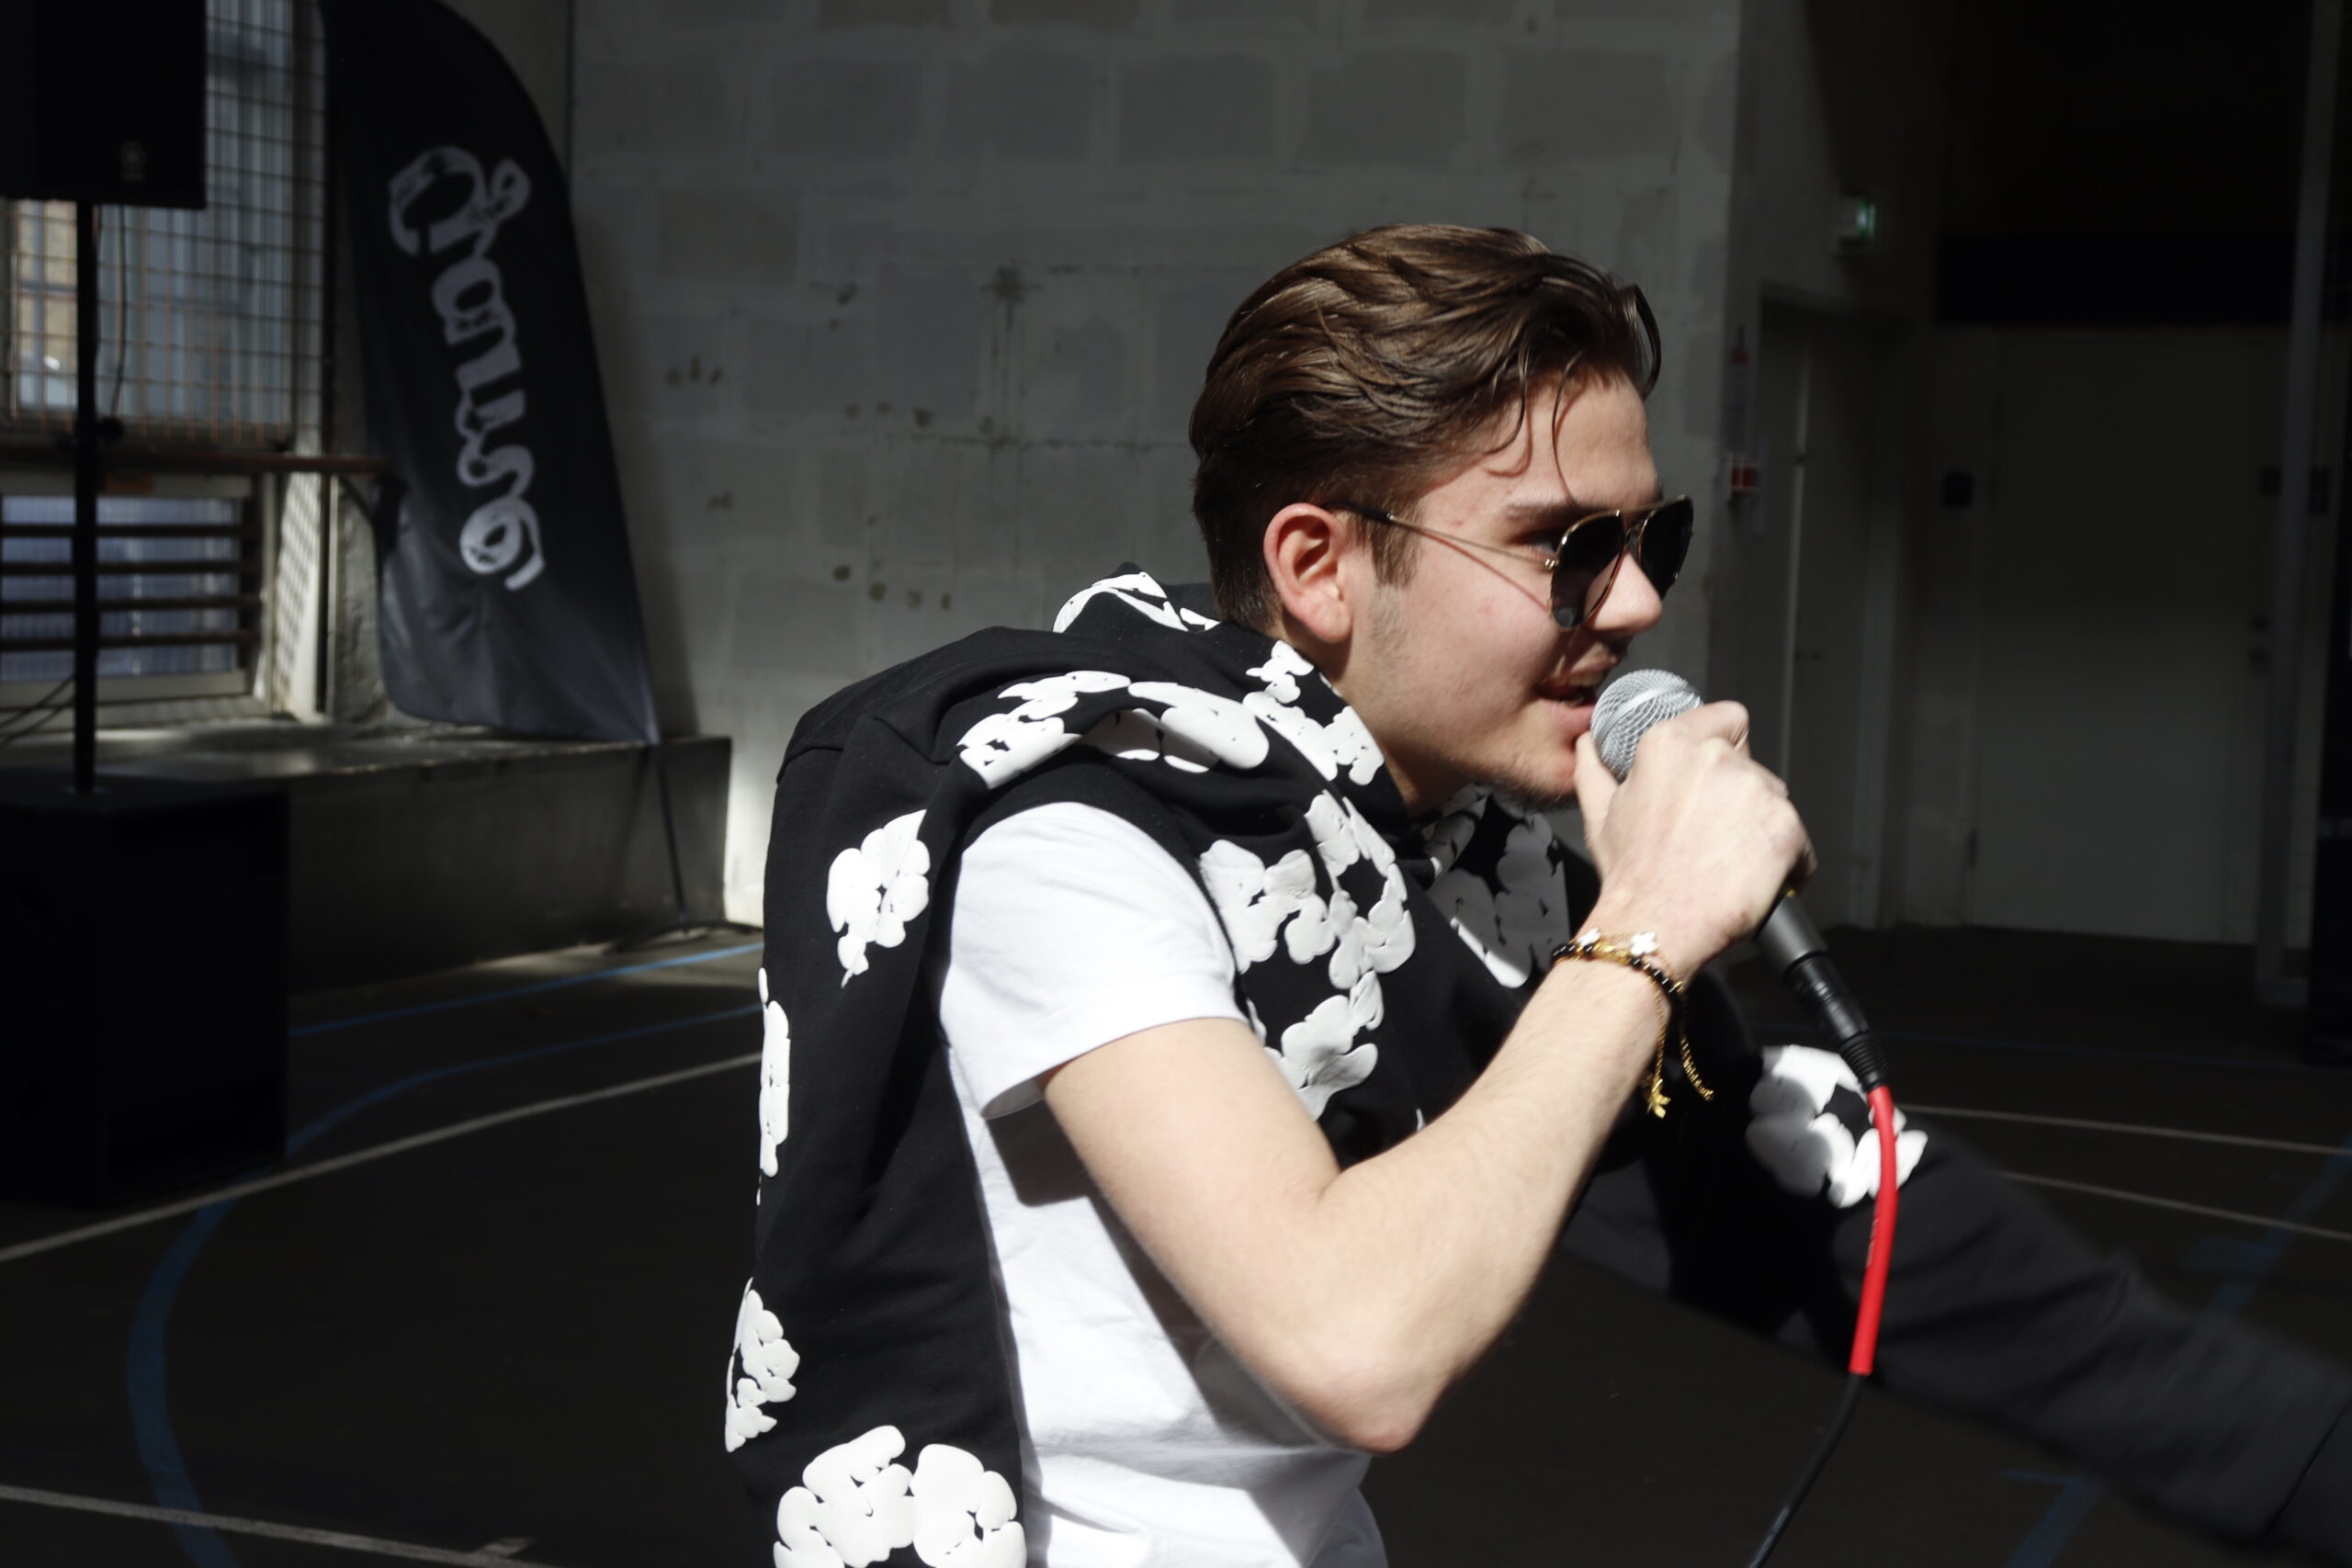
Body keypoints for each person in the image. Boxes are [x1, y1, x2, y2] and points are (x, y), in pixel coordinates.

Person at [727, 225, 2350, 1568]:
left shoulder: (1462, 873)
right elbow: (1354, 1341)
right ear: (1318, 565)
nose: (1633, 602)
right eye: (1563, 547)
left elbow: (1857, 1233)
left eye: (1652, 539)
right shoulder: (1078, 832)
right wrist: (1645, 930)